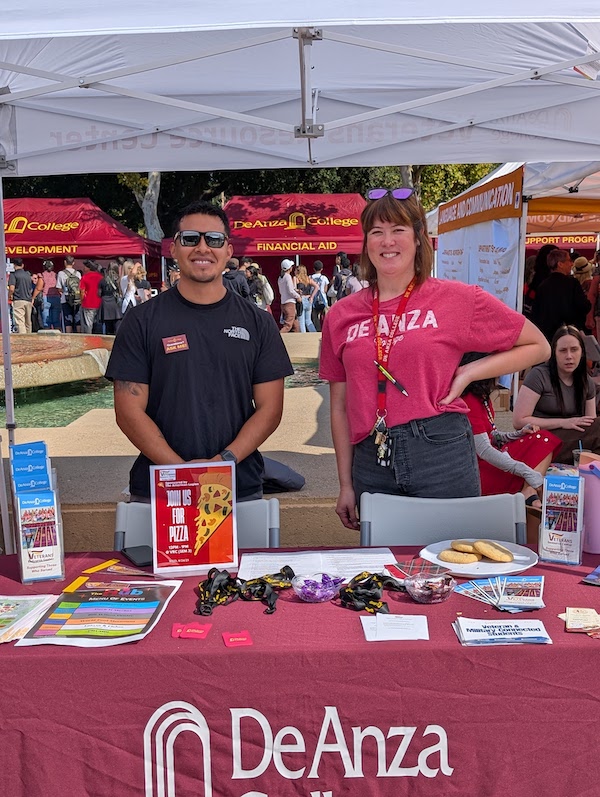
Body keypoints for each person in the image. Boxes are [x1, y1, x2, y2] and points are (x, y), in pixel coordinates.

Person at [319, 188, 550, 530]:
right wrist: (346, 484)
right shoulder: (341, 315)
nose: (387, 241)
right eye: (376, 232)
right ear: (366, 242)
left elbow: (538, 346)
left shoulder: (457, 299)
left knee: (453, 559)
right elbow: (339, 406)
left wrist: (470, 371)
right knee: (385, 566)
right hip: (371, 456)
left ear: (418, 238)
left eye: (398, 230)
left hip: (441, 449)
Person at [105, 199, 294, 503]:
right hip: (159, 488)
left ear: (228, 251)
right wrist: (181, 473)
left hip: (238, 486)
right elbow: (128, 412)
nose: (203, 248)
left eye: (214, 239)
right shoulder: (141, 321)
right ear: (174, 249)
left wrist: (223, 463)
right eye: (191, 238)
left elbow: (270, 410)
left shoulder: (258, 323)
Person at [461, 352, 561, 514]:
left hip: (488, 461)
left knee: (540, 438)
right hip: (479, 472)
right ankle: (529, 491)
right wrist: (526, 471)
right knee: (543, 439)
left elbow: (492, 435)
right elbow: (484, 450)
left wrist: (518, 434)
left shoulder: (481, 397)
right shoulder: (470, 400)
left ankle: (529, 491)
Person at [513, 324, 600, 463]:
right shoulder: (539, 375)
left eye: (574, 350)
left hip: (570, 441)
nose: (569, 356)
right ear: (554, 352)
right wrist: (563, 422)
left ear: (582, 352)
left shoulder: (586, 381)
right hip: (539, 439)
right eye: (563, 351)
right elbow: (518, 421)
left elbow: (591, 424)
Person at [531, 249, 590, 341]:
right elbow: (583, 306)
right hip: (570, 331)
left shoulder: (542, 286)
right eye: (569, 260)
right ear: (560, 264)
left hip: (548, 335)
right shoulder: (572, 283)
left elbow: (536, 313)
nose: (571, 264)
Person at [8, 259, 41, 334]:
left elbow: (12, 289)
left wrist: (9, 296)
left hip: (18, 300)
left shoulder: (13, 275)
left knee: (20, 321)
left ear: (14, 265)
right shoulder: (28, 275)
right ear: (22, 265)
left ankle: (23, 339)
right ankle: (29, 337)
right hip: (28, 300)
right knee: (28, 322)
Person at [56, 256, 81, 332]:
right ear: (73, 263)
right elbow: (80, 287)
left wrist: (62, 291)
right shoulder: (78, 273)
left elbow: (58, 287)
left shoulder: (61, 273)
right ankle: (79, 337)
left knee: (68, 320)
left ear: (65, 262)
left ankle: (69, 338)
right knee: (78, 319)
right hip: (77, 299)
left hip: (65, 299)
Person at [98, 261, 123, 334]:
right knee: (117, 326)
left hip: (105, 305)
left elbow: (99, 294)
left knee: (108, 329)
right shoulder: (119, 281)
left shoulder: (102, 281)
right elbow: (121, 292)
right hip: (115, 304)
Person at [79, 260, 104, 333]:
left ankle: (89, 340)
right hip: (99, 303)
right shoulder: (101, 277)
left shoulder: (85, 277)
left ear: (88, 268)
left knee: (88, 325)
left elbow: (82, 291)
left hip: (88, 303)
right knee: (97, 323)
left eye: (85, 266)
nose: (83, 268)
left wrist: (82, 300)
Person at [278, 259, 301, 333]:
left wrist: (295, 291)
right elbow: (290, 290)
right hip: (290, 303)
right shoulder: (287, 277)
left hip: (283, 302)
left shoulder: (280, 278)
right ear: (289, 268)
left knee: (295, 324)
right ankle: (279, 336)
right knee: (288, 325)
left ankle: (297, 338)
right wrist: (298, 296)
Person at [294, 265, 318, 333]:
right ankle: (314, 334)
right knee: (308, 320)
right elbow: (317, 286)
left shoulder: (296, 278)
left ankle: (303, 336)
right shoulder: (308, 279)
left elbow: (293, 288)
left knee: (301, 321)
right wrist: (312, 296)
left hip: (301, 299)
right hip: (308, 299)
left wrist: (297, 291)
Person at [39, 260, 61, 329]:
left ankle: (47, 336)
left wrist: (33, 297)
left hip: (46, 297)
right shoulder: (56, 275)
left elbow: (39, 288)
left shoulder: (42, 275)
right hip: (56, 297)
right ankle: (58, 336)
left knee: (46, 321)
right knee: (56, 320)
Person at [310, 261, 329, 332]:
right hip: (323, 300)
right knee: (325, 317)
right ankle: (325, 330)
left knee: (315, 318)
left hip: (313, 300)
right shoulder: (324, 278)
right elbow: (325, 289)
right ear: (322, 269)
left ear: (313, 269)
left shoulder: (310, 277)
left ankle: (318, 330)